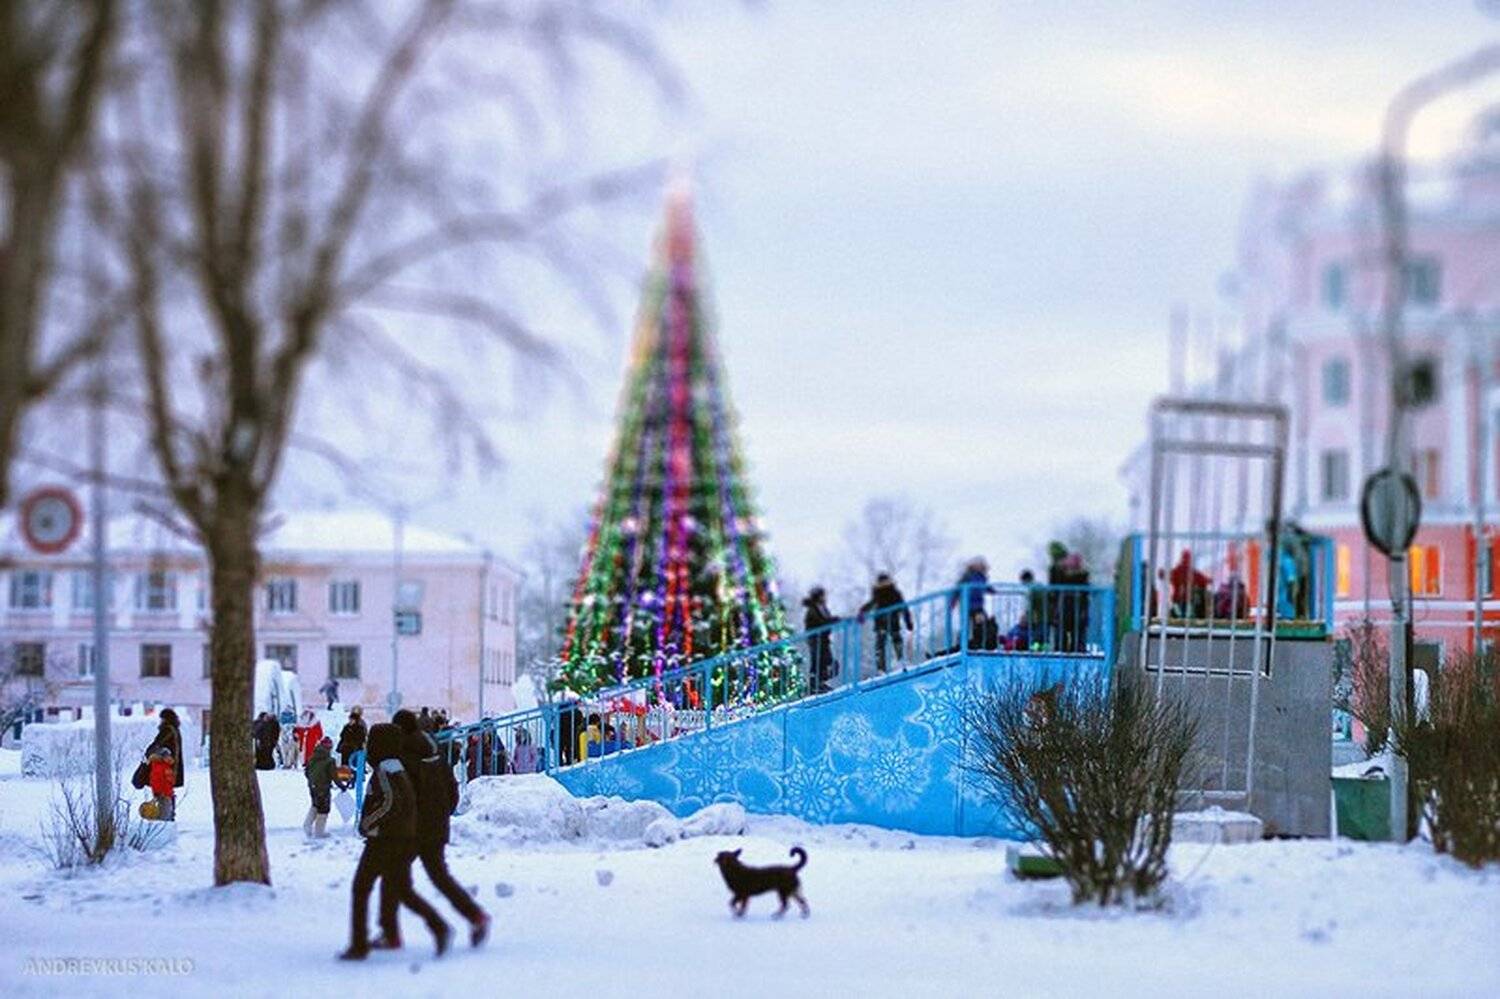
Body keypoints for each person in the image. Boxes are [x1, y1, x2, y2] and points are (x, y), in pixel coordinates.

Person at [376, 710, 489, 951]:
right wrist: (443, 815)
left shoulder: (405, 758)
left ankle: (394, 933)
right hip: (436, 826)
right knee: (438, 876)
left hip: (412, 828)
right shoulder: (435, 751)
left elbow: (403, 797)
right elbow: (452, 788)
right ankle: (475, 916)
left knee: (394, 877)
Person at [340, 722, 449, 961]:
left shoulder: (387, 770)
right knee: (401, 889)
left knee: (361, 888)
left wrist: (368, 823)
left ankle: (359, 945)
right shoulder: (395, 767)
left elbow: (391, 802)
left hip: (385, 839)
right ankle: (439, 926)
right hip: (400, 838)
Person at [858, 572, 913, 674]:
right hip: (881, 622)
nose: (883, 584)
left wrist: (908, 621)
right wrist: (862, 612)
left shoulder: (894, 593)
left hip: (892, 621)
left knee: (894, 641)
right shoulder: (878, 593)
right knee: (881, 644)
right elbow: (872, 603)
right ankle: (882, 668)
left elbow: (903, 607)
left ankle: (900, 662)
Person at [303, 736, 343, 839]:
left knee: (315, 805)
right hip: (323, 788)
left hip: (312, 787)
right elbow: (334, 776)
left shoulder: (312, 757)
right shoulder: (330, 761)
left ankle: (307, 826)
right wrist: (341, 786)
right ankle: (319, 832)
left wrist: (312, 781)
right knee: (324, 809)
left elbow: (306, 772)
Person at [802, 587, 840, 693]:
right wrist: (833, 621)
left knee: (829, 664)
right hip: (816, 639)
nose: (825, 598)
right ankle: (816, 685)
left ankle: (819, 683)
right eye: (823, 595)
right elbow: (821, 622)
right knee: (819, 662)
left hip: (824, 639)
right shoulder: (812, 609)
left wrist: (834, 620)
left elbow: (826, 620)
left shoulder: (821, 607)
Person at [145, 708, 185, 790]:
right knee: (167, 792)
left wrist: (149, 753)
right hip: (171, 769)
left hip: (165, 769)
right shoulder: (175, 730)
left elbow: (157, 744)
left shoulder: (168, 730)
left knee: (163, 793)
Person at [147, 746, 177, 821]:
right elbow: (156, 781)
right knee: (164, 816)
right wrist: (158, 793)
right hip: (163, 796)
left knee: (168, 814)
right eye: (167, 756)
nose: (169, 757)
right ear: (162, 757)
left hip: (168, 794)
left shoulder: (166, 766)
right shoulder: (159, 767)